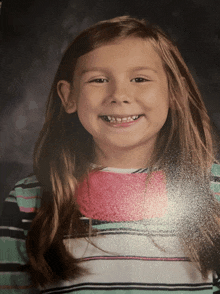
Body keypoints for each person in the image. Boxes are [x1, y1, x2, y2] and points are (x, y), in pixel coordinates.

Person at [1, 15, 220, 294]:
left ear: (174, 93)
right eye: (99, 79)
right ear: (68, 97)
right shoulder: (27, 200)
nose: (119, 95)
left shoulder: (215, 191)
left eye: (140, 78)